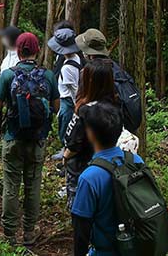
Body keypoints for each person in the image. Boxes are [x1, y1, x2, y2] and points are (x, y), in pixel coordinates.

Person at [0, 32, 60, 246]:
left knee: (11, 185)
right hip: (37, 139)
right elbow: (56, 107)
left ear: (18, 51)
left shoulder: (8, 75)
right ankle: (30, 231)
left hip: (13, 138)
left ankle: (10, 233)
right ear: (37, 50)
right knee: (33, 184)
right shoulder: (47, 75)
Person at [71, 101, 144, 256]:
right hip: (135, 247)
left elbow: (81, 231)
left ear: (90, 133)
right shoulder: (136, 161)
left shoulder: (89, 178)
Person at [64, 60, 119, 208]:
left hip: (81, 168)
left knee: (81, 210)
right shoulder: (116, 106)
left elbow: (74, 143)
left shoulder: (85, 110)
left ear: (89, 81)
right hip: (110, 166)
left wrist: (65, 156)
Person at [48, 27, 83, 161]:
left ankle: (66, 151)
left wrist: (76, 105)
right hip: (68, 99)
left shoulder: (67, 67)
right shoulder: (76, 58)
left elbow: (73, 88)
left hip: (68, 100)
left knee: (66, 126)